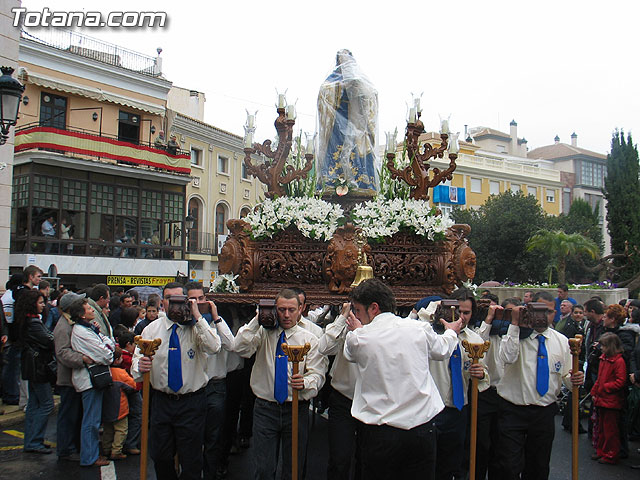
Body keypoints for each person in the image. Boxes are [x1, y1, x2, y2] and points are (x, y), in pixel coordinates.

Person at [343, 278, 462, 480]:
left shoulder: (359, 338)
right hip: (421, 431)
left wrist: (358, 331)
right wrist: (451, 333)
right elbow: (442, 350)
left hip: (381, 435)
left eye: (358, 311)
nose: (358, 318)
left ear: (374, 308)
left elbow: (351, 352)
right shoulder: (418, 329)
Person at [234, 288, 327, 480]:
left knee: (293, 467)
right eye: (281, 309)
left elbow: (318, 374)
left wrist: (306, 382)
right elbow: (240, 348)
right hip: (265, 408)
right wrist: (257, 319)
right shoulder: (262, 333)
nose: (286, 315)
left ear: (300, 309)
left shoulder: (309, 339)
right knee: (264, 468)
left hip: (296, 408)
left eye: (291, 310)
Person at [132, 282, 222, 480]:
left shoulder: (196, 328)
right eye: (168, 299)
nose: (173, 304)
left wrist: (197, 316)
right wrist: (140, 366)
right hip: (162, 401)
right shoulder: (151, 330)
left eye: (178, 299)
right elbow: (137, 361)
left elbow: (214, 346)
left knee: (191, 460)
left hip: (191, 402)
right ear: (162, 302)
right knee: (161, 456)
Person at [495, 290, 584, 480]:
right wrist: (515, 324)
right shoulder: (515, 336)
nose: (544, 316)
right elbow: (507, 357)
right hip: (513, 410)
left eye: (550, 311)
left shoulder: (562, 342)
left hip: (544, 412)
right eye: (540, 310)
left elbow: (566, 378)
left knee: (539, 467)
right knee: (509, 466)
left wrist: (575, 379)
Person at [429, 289, 489, 480]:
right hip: (430, 410)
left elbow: (483, 375)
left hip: (457, 410)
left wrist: (480, 373)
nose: (461, 317)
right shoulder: (430, 335)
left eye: (466, 313)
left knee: (451, 464)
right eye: (457, 311)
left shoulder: (475, 341)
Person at [185, 281, 235, 480]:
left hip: (216, 386)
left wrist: (215, 316)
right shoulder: (185, 323)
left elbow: (231, 345)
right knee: (191, 437)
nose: (197, 303)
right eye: (192, 300)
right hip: (194, 386)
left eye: (201, 299)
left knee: (214, 437)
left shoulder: (217, 322)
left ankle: (211, 474)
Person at [317, 49, 378, 196]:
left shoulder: (360, 79)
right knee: (335, 154)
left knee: (358, 155)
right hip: (337, 125)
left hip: (357, 126)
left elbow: (371, 95)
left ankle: (362, 184)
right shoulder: (332, 80)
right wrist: (339, 87)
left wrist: (355, 86)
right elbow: (324, 93)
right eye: (342, 60)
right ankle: (332, 183)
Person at [475, 297, 521, 480]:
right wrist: (489, 319)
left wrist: (515, 326)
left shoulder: (518, 336)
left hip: (508, 396)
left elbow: (509, 356)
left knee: (503, 447)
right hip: (487, 392)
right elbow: (476, 344)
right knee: (481, 444)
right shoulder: (486, 331)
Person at [318, 301, 361, 480]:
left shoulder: (383, 328)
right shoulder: (345, 325)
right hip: (343, 400)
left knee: (366, 459)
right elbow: (324, 347)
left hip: (372, 400)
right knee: (339, 459)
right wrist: (342, 318)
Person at [70, 298, 115, 467]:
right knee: (91, 421)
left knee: (92, 419)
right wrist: (107, 346)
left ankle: (90, 454)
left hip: (93, 379)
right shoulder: (82, 332)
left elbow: (107, 343)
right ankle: (89, 457)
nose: (92, 310)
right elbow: (107, 354)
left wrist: (105, 343)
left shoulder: (90, 329)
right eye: (88, 308)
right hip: (90, 381)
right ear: (81, 314)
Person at [16, 289, 55, 454]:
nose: (43, 305)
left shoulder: (28, 321)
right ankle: (35, 440)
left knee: (34, 403)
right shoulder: (33, 323)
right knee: (46, 404)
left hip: (31, 365)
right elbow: (49, 340)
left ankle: (31, 440)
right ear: (32, 304)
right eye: (40, 302)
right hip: (38, 367)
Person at [53, 291, 88, 461]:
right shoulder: (63, 326)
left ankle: (72, 445)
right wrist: (82, 358)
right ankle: (65, 449)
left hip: (75, 377)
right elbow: (62, 352)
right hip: (68, 379)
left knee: (75, 414)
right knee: (68, 415)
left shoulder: (72, 322)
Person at [590, 332, 627, 465]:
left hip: (611, 401)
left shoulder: (618, 361)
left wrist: (603, 388)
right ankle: (602, 451)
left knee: (610, 430)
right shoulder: (604, 359)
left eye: (604, 346)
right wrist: (594, 391)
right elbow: (599, 378)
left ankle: (611, 454)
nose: (601, 348)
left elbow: (620, 381)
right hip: (602, 399)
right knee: (601, 428)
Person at [101, 346, 136, 460]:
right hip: (120, 407)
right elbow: (133, 385)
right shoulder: (120, 373)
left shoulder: (105, 372)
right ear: (117, 360)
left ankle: (106, 449)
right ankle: (116, 450)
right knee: (121, 429)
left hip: (106, 406)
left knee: (108, 430)